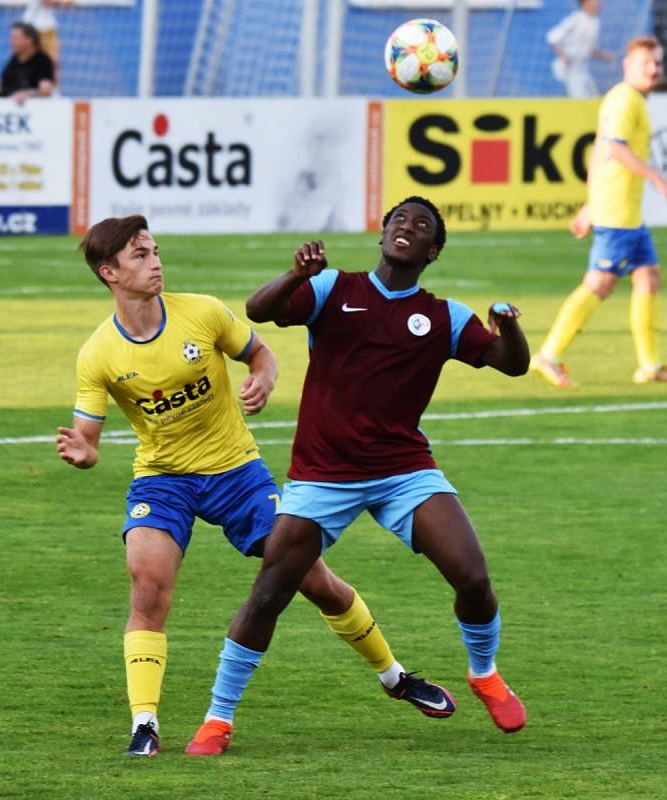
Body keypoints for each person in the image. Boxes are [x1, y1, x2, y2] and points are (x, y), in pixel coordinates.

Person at [57, 215, 455, 758]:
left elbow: (260, 352)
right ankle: (144, 725)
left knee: (313, 580)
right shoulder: (99, 353)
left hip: (237, 473)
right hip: (163, 479)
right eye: (140, 256)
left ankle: (396, 678)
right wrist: (84, 452)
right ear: (110, 273)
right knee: (146, 588)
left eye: (154, 251)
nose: (155, 262)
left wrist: (263, 377)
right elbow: (88, 437)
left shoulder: (201, 312)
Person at [198, 196, 530, 756]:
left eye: (422, 225)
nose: (408, 227)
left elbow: (512, 363)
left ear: (434, 250)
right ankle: (217, 719)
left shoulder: (445, 316)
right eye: (400, 219)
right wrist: (294, 275)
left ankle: (485, 673)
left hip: (404, 472)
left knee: (472, 577)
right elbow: (259, 311)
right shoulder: (332, 289)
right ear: (382, 234)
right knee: (270, 593)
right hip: (322, 476)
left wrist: (509, 327)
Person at [531, 36, 667, 387]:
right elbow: (615, 149)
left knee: (648, 277)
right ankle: (548, 354)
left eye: (658, 63)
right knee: (600, 284)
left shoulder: (628, 99)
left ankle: (649, 365)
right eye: (646, 63)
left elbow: (599, 153)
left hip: (625, 212)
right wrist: (658, 179)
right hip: (618, 214)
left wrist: (590, 203)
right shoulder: (625, 100)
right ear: (627, 65)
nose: (654, 69)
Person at [546, 0, 614, 98]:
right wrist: (564, 56)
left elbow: (588, 49)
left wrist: (604, 56)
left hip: (583, 67)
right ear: (584, 4)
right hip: (570, 66)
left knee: (593, 95)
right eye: (593, 2)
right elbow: (553, 38)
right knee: (578, 96)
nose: (597, 4)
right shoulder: (575, 19)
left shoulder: (595, 22)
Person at [0, 22, 55, 103]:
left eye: (15, 38)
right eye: (11, 38)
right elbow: (3, 86)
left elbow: (46, 89)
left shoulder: (42, 60)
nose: (11, 42)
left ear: (29, 40)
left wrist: (29, 95)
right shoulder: (13, 61)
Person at [23, 0, 73, 81]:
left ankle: (54, 91)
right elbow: (46, 2)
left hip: (48, 27)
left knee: (54, 62)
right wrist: (62, 2)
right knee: (32, 62)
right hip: (33, 27)